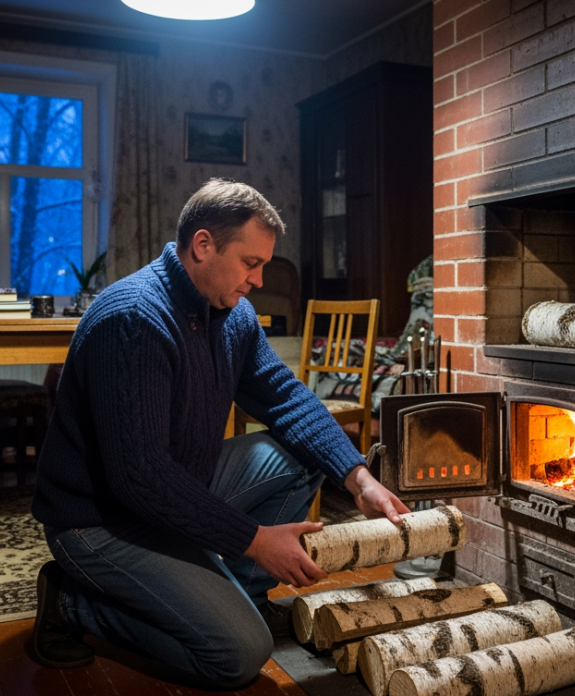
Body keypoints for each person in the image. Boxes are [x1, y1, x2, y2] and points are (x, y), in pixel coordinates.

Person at [29, 178, 409, 689]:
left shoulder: (233, 314)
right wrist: (253, 541)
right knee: (239, 655)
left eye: (263, 266)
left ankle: (237, 592)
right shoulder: (134, 319)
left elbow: (285, 397)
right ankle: (72, 605)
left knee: (305, 449)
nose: (257, 280)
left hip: (174, 485)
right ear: (203, 245)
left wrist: (358, 476)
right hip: (99, 520)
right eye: (250, 263)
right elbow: (139, 476)